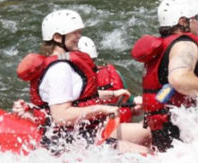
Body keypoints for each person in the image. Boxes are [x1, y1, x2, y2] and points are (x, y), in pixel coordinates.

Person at [14, 9, 150, 154]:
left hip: (86, 134)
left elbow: (76, 96)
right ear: (58, 37)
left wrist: (113, 93)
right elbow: (61, 116)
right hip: (68, 142)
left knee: (150, 131)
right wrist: (103, 109)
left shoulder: (64, 63)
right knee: (146, 154)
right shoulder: (59, 69)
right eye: (75, 33)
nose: (79, 36)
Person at [130, 0, 198, 152]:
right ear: (183, 22)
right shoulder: (185, 45)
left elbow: (165, 92)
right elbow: (178, 79)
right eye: (197, 17)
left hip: (161, 131)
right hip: (181, 131)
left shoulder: (162, 48)